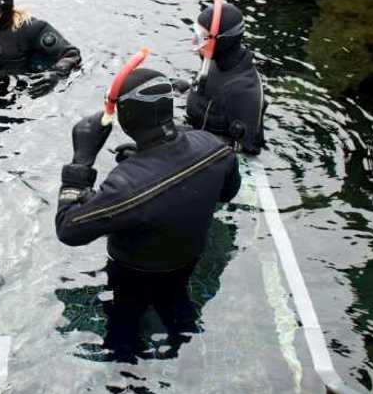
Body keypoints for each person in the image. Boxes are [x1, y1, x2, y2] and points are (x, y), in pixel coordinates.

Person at [55, 65, 240, 274]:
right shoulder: (214, 146)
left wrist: (81, 162)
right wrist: (145, 157)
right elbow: (227, 193)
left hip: (134, 275)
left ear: (127, 116)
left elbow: (67, 230)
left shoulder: (124, 187)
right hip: (190, 257)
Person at [184, 0, 266, 154]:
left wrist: (177, 141)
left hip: (213, 153)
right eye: (196, 33)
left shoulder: (243, 91)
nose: (195, 41)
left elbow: (247, 148)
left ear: (222, 40)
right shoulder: (213, 60)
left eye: (202, 36)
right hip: (195, 131)